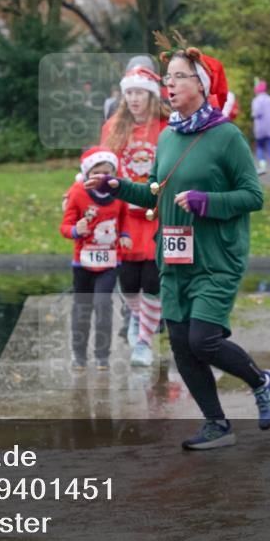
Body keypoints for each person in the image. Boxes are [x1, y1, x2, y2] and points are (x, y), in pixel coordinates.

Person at [87, 44, 270, 450]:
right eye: (167, 77)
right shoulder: (169, 136)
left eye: (178, 77)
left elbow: (253, 196)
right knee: (180, 344)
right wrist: (116, 186)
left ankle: (263, 381)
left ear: (201, 85)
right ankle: (217, 424)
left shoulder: (226, 136)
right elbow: (156, 193)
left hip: (217, 257)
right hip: (174, 257)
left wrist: (207, 202)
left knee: (203, 339)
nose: (168, 84)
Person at [101, 64, 168, 366]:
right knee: (128, 281)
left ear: (151, 95)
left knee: (153, 280)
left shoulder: (168, 127)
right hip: (126, 216)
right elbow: (103, 164)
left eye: (140, 92)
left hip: (157, 215)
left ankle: (144, 340)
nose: (134, 99)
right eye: (129, 93)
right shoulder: (114, 126)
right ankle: (136, 319)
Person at [61, 148, 131, 370]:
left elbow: (125, 217)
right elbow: (65, 226)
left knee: (103, 306)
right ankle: (79, 354)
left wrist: (126, 235)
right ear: (87, 173)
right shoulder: (78, 193)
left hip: (110, 262)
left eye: (106, 173)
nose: (101, 178)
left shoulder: (118, 192)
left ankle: (102, 355)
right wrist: (74, 230)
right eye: (96, 173)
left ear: (113, 173)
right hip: (82, 263)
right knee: (82, 309)